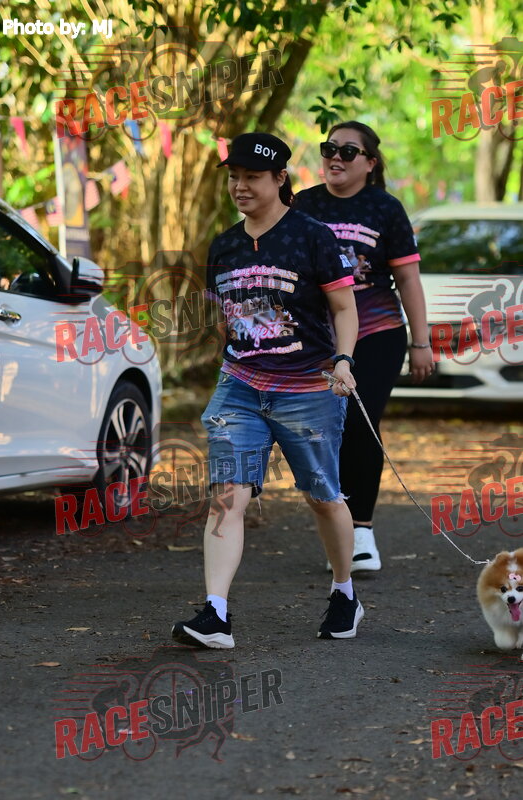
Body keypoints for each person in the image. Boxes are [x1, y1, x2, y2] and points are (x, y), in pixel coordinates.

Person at [172, 132, 362, 649]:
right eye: (234, 177)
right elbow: (226, 318)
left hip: (308, 388)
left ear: (280, 179)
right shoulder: (225, 245)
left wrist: (344, 360)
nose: (240, 186)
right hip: (240, 386)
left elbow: (344, 309)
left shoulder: (313, 236)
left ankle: (344, 592)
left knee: (322, 497)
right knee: (226, 496)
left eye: (252, 177)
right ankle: (215, 614)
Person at [294, 121, 433, 572]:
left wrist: (421, 342)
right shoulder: (304, 204)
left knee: (359, 420)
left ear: (370, 163)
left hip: (377, 332)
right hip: (318, 338)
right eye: (329, 148)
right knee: (325, 429)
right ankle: (338, 528)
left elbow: (408, 279)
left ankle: (362, 531)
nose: (336, 157)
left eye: (348, 151)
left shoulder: (385, 208)